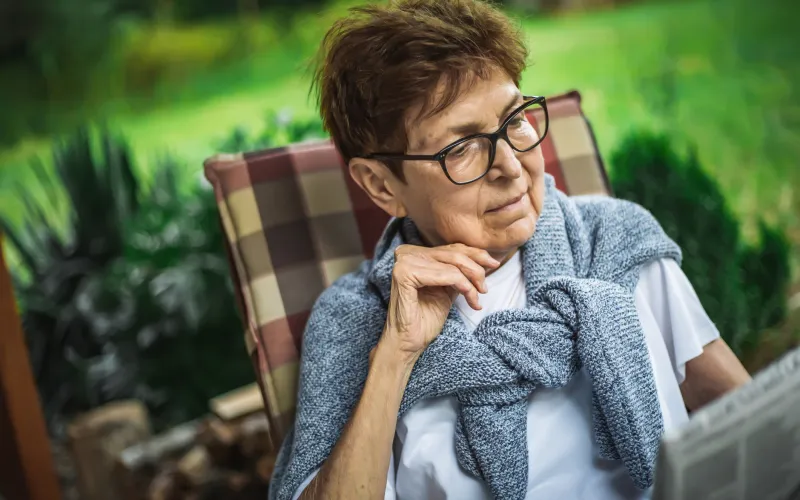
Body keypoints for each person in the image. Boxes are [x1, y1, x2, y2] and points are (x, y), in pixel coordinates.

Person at [268, 1, 752, 499]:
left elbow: (745, 418)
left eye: (515, 118)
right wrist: (395, 357)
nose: (512, 168)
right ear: (381, 185)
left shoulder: (615, 239)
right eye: (461, 148)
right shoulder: (357, 321)